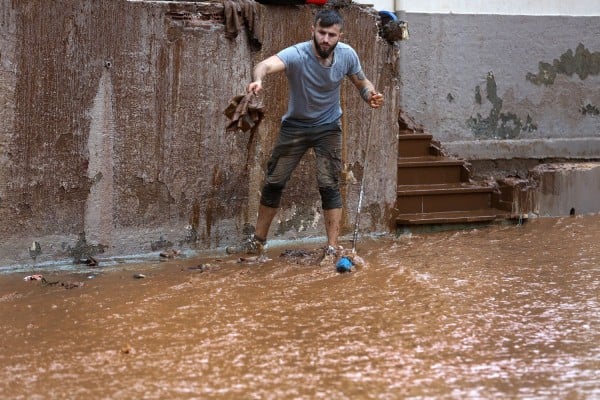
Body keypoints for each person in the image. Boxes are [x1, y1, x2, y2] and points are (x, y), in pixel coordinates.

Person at [226, 9, 384, 264]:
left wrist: (371, 96)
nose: (325, 39)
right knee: (274, 182)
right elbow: (264, 64)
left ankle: (332, 248)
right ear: (313, 30)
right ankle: (257, 243)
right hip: (295, 127)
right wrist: (258, 80)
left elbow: (361, 82)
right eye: (321, 33)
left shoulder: (347, 54)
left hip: (329, 127)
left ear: (339, 36)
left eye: (331, 35)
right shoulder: (298, 53)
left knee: (329, 184)